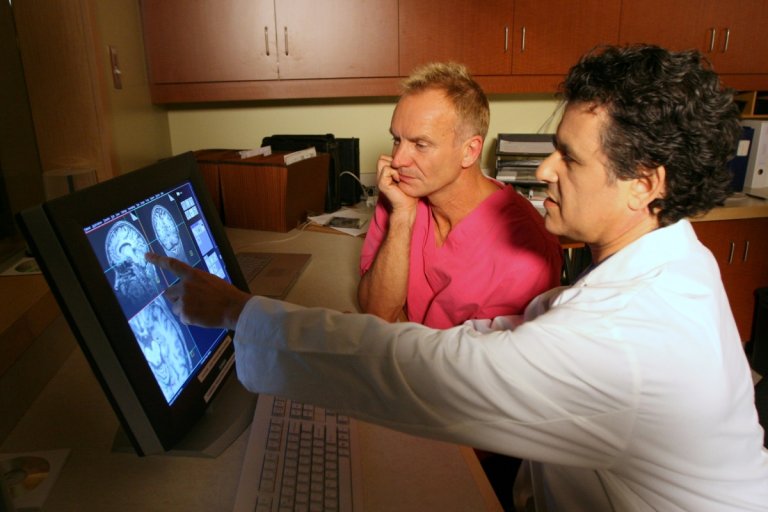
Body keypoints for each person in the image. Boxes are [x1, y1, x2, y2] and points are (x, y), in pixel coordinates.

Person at [147, 45, 768, 511]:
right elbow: (503, 333)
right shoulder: (670, 264)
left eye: (570, 158)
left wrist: (238, 312)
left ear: (645, 184)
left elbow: (436, 372)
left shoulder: (628, 338)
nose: (544, 170)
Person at [358, 62, 562, 328]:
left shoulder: (528, 254)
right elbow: (376, 312)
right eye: (397, 140)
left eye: (420, 144)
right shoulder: (400, 196)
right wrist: (402, 217)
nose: (397, 160)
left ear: (469, 151)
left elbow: (482, 354)